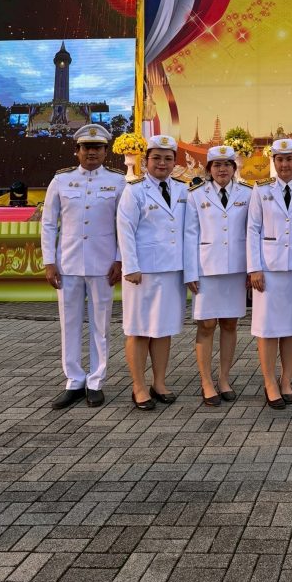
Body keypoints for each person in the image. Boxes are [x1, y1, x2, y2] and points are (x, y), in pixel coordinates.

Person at [41, 124, 127, 409]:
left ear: (105, 151)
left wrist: (119, 259)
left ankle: (96, 381)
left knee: (101, 325)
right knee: (69, 324)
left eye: (97, 148)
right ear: (77, 150)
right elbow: (49, 224)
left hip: (103, 264)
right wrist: (49, 262)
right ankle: (74, 380)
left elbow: (123, 225)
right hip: (68, 263)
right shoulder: (61, 180)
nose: (92, 152)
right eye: (86, 148)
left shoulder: (118, 181)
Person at [117, 134, 187, 410]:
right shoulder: (134, 190)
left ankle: (159, 383)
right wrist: (131, 266)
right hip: (142, 272)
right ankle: (139, 386)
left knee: (162, 329)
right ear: (146, 161)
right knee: (139, 330)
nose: (162, 163)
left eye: (168, 159)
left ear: (174, 162)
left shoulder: (182, 189)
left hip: (172, 270)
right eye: (156, 158)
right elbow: (125, 230)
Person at [247, 138, 292, 410]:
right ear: (273, 162)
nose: (284, 164)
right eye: (280, 159)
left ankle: (286, 379)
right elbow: (252, 229)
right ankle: (269, 382)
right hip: (268, 270)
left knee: (291, 327)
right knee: (267, 328)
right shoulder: (261, 189)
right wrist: (254, 267)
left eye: (289, 159)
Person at [184, 145, 251, 406]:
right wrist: (190, 271)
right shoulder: (196, 194)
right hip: (206, 269)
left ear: (234, 167)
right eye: (217, 165)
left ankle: (224, 379)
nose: (222, 169)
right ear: (209, 169)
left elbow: (251, 232)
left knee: (230, 324)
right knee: (207, 325)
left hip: (235, 269)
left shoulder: (247, 193)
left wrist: (251, 268)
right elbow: (190, 235)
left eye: (227, 164)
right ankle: (206, 382)